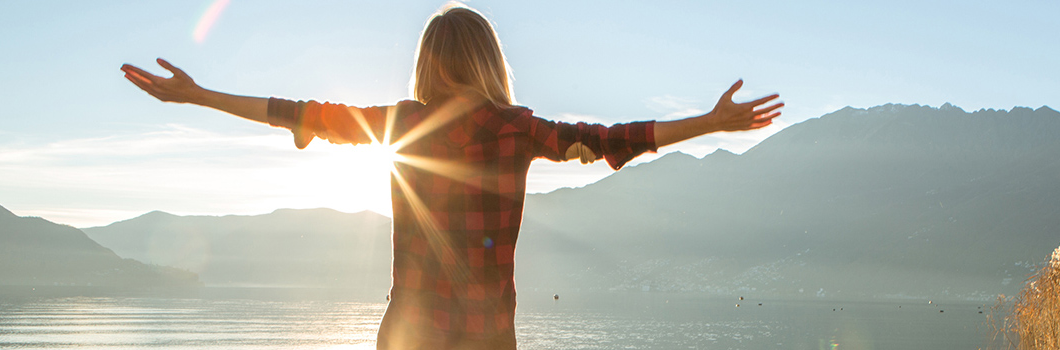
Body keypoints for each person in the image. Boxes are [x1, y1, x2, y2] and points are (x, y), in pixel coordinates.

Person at [120, 3, 782, 350]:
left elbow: (294, 112)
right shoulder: (519, 128)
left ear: (428, 63)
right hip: (488, 335)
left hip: (410, 331)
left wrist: (199, 95)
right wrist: (709, 122)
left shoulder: (399, 123)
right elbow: (615, 140)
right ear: (490, 60)